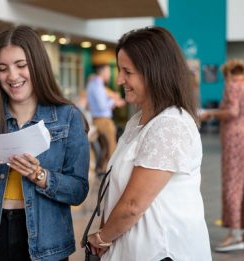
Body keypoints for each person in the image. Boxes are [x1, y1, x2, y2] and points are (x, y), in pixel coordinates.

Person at [0, 25, 90, 261]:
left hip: (46, 245)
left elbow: (78, 191)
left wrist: (40, 176)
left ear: (37, 65)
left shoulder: (68, 117)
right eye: (2, 68)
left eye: (21, 65)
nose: (13, 76)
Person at [87, 26, 212, 260]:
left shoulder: (170, 125)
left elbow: (133, 204)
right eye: (119, 70)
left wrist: (102, 237)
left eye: (127, 72)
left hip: (163, 252)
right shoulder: (139, 120)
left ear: (153, 72)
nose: (120, 79)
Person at [201, 59, 244, 252]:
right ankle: (239, 231)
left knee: (232, 185)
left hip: (234, 140)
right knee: (240, 185)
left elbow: (232, 111)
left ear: (228, 73)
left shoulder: (232, 86)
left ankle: (234, 234)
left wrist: (211, 114)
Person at [86, 64, 125, 175]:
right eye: (108, 71)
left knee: (105, 147)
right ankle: (109, 173)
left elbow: (89, 105)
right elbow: (102, 106)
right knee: (112, 147)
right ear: (102, 72)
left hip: (97, 119)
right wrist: (114, 102)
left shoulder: (92, 84)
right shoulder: (97, 86)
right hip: (103, 120)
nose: (109, 74)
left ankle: (103, 169)